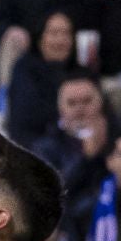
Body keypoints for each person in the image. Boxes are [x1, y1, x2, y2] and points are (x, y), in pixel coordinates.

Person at [0, 0, 102, 96]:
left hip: (72, 65)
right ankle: (10, 99)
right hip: (27, 63)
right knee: (13, 38)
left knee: (88, 40)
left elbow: (98, 24)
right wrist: (11, 32)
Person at [30, 73, 114, 205]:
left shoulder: (120, 137)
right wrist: (86, 157)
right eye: (72, 103)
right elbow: (53, 193)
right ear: (60, 108)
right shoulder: (45, 147)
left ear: (100, 103)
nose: (80, 109)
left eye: (87, 101)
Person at [6, 10, 77, 147]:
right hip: (36, 144)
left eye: (66, 33)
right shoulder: (25, 69)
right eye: (54, 33)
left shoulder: (81, 72)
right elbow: (26, 115)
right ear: (40, 38)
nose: (61, 40)